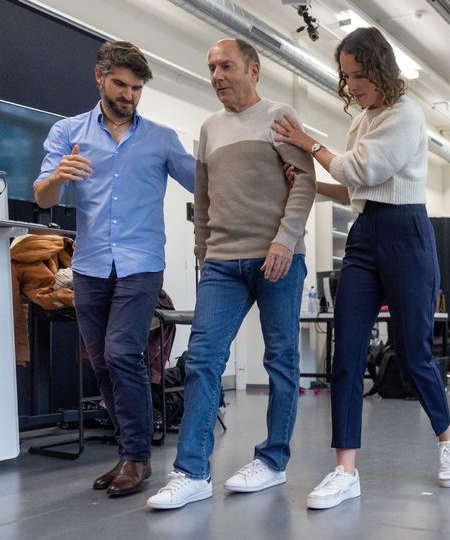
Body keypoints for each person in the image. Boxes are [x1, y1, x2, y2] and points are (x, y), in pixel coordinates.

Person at [272, 27, 450, 510]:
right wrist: (312, 184)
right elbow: (357, 189)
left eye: (358, 74)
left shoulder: (406, 115)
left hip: (407, 236)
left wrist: (308, 142)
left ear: (380, 69)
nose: (351, 85)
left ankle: (448, 439)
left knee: (412, 351)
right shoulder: (363, 122)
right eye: (345, 76)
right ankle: (345, 470)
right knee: (347, 353)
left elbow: (362, 171)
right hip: (365, 236)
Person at [146, 38, 316, 510]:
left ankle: (273, 461)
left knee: (280, 360)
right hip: (223, 263)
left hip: (277, 258)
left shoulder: (280, 117)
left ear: (253, 69)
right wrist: (203, 252)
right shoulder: (209, 128)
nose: (217, 75)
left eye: (227, 66)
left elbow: (304, 184)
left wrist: (285, 239)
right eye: (211, 67)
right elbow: (201, 200)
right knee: (202, 360)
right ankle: (192, 471)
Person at [34, 41, 196, 497]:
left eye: (137, 88)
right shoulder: (67, 132)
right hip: (89, 264)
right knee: (103, 361)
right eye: (121, 84)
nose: (128, 95)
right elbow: (44, 196)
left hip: (141, 264)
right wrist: (57, 178)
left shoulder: (161, 138)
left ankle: (139, 458)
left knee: (123, 352)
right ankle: (128, 453)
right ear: (99, 78)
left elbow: (203, 181)